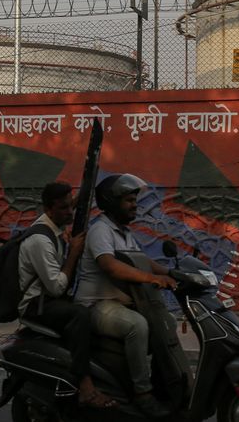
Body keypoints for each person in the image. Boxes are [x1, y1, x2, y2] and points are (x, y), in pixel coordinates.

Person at [73, 173, 177, 419]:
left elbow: (143, 262)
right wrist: (152, 279)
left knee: (167, 323)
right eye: (129, 200)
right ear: (111, 202)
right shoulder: (101, 230)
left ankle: (163, 384)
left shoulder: (123, 232)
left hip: (118, 303)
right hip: (95, 305)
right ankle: (142, 394)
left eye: (134, 200)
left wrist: (174, 273)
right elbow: (110, 265)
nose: (134, 205)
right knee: (137, 325)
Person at [18, 181, 115, 409]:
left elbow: (70, 203)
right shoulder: (40, 240)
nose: (69, 211)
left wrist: (84, 192)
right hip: (37, 304)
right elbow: (56, 288)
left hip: (48, 300)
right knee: (79, 315)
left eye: (70, 206)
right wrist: (72, 254)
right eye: (63, 208)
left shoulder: (54, 225)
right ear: (48, 210)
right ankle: (85, 385)